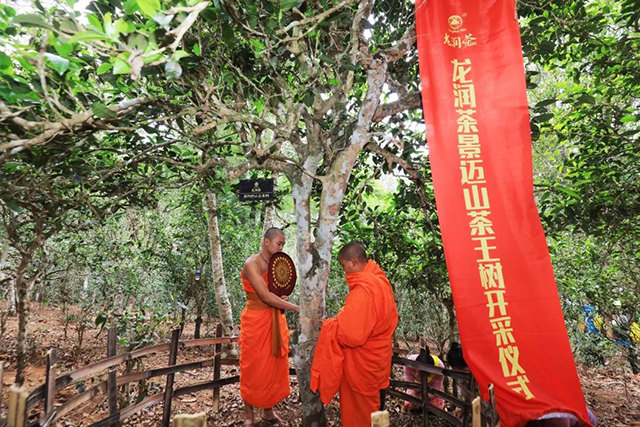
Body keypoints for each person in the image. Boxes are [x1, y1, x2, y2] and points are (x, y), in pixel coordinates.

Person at [310, 242, 399, 426]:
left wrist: (331, 325)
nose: (344, 272)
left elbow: (352, 336)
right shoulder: (379, 279)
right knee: (375, 408)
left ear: (352, 262)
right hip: (379, 358)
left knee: (361, 415)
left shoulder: (364, 291)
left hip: (363, 365)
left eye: (343, 266)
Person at [239, 227, 300, 426]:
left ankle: (268, 411)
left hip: (274, 319)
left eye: (283, 244)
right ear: (266, 242)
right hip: (256, 321)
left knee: (272, 367)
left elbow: (275, 293)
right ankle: (249, 416)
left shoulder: (275, 264)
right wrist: (298, 308)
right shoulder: (252, 264)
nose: (281, 247)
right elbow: (265, 296)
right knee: (252, 367)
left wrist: (283, 297)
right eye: (278, 243)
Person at [403, 346, 445, 412]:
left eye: (428, 373)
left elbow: (437, 388)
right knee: (410, 405)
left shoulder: (439, 367)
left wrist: (424, 398)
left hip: (431, 391)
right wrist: (414, 395)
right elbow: (409, 382)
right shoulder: (410, 364)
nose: (425, 375)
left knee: (435, 407)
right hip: (415, 388)